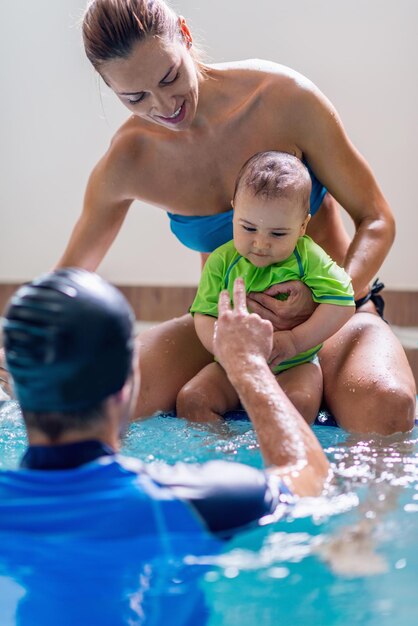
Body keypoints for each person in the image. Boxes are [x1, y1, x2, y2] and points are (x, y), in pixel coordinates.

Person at [3, 0, 412, 433]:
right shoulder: (130, 160)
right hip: (225, 330)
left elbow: (376, 218)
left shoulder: (284, 99)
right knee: (87, 398)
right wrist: (24, 343)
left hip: (334, 315)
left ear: (184, 34)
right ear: (108, 84)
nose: (164, 105)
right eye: (135, 97)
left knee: (385, 403)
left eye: (169, 76)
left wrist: (328, 300)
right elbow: (70, 277)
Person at [1, 268, 329, 530]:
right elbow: (310, 478)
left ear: (17, 389)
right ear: (127, 384)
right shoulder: (191, 503)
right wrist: (248, 365)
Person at [179, 151, 355, 424]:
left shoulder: (308, 258)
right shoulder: (221, 261)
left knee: (298, 405)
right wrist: (222, 346)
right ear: (234, 210)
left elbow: (343, 303)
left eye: (277, 233)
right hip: (233, 366)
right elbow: (204, 314)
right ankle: (224, 460)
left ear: (301, 227)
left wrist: (295, 341)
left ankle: (278, 462)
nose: (261, 243)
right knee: (192, 399)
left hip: (294, 366)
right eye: (248, 228)